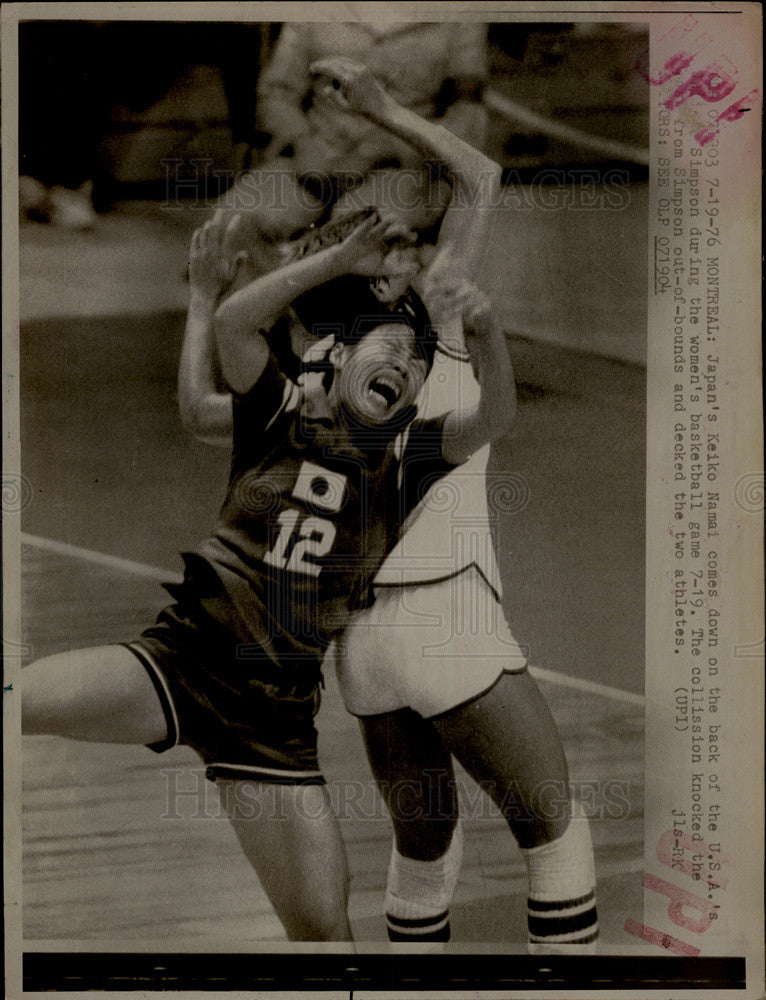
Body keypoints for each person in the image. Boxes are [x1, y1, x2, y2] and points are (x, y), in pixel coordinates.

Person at [185, 58, 599, 951]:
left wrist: (201, 299)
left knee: (424, 849)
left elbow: (196, 411)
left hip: (362, 655)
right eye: (400, 245)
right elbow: (480, 175)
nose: (413, 249)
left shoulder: (299, 385)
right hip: (449, 620)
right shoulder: (431, 334)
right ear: (380, 280)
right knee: (558, 838)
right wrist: (388, 110)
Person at [22, 198, 513, 941]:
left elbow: (493, 418)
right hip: (183, 660)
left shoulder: (408, 460)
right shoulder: (280, 408)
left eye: (416, 367)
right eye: (391, 348)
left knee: (325, 938)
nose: (406, 367)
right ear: (341, 356)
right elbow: (229, 327)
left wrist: (487, 332)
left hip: (271, 723)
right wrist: (335, 261)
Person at [211, 21, 489, 285]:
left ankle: (354, 330)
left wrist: (384, 150)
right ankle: (264, 325)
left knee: (359, 231)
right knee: (232, 220)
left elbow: (468, 113)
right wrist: (303, 143)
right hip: (317, 151)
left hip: (404, 163)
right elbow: (277, 94)